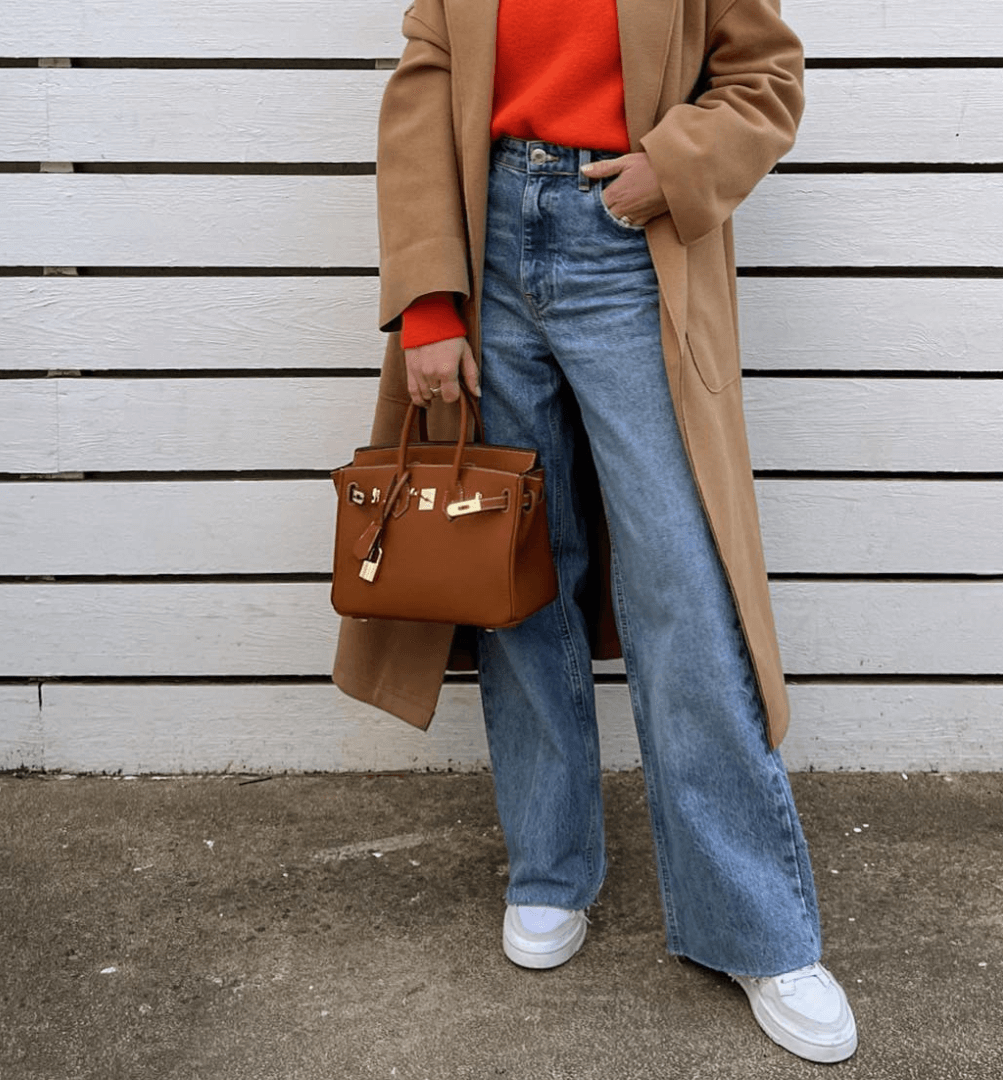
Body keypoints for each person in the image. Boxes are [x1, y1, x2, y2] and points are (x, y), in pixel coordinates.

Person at [334, 0, 858, 1063]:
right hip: (488, 242)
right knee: (516, 568)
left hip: (629, 243)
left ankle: (757, 928)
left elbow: (764, 75)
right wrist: (429, 300)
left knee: (684, 585)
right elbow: (427, 83)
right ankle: (549, 867)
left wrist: (674, 166)